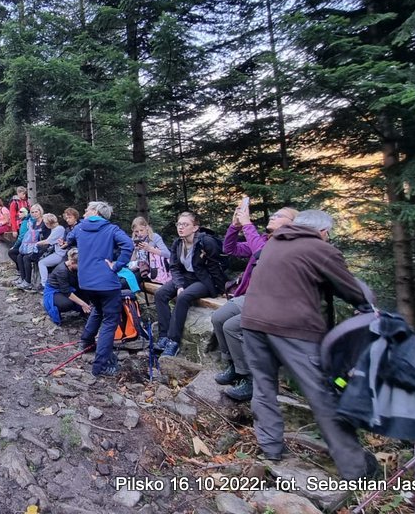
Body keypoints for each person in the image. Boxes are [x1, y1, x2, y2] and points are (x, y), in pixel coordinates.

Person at [241, 210, 376, 479]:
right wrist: (367, 306)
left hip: (252, 322)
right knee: (322, 394)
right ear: (323, 231)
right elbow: (349, 288)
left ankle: (271, 448)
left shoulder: (275, 243)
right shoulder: (320, 249)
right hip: (294, 329)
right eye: (329, 234)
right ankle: (355, 468)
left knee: (263, 387)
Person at [212, 202, 297, 401]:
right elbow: (229, 249)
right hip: (252, 296)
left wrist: (248, 224)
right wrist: (235, 227)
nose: (273, 216)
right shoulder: (265, 239)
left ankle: (250, 378)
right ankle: (233, 365)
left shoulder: (289, 243)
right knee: (218, 317)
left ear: (292, 223)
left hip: (274, 302)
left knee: (232, 327)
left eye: (279, 215)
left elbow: (264, 256)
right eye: (273, 214)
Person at [63, 201, 134, 377]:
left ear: (96, 212)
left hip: (86, 281)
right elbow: (128, 245)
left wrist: (67, 243)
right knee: (110, 320)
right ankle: (100, 365)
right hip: (106, 282)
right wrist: (118, 265)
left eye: (87, 209)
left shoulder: (79, 228)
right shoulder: (111, 229)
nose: (84, 212)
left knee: (98, 309)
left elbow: (69, 240)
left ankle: (86, 341)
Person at [154, 211, 226, 357]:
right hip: (186, 277)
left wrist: (221, 288)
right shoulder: (178, 243)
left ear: (195, 228)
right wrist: (179, 285)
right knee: (160, 293)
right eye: (179, 224)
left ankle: (173, 341)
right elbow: (174, 267)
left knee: (183, 297)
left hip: (205, 280)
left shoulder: (206, 242)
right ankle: (163, 336)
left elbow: (217, 266)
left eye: (185, 224)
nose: (180, 227)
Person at [119, 215, 172, 294]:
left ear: (147, 227)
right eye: (136, 232)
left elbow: (168, 254)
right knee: (120, 279)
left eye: (141, 230)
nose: (139, 234)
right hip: (138, 268)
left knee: (124, 284)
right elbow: (131, 261)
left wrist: (150, 249)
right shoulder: (134, 239)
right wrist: (135, 250)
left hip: (152, 270)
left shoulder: (155, 237)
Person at [43, 248, 92, 324]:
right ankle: (56, 311)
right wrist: (83, 304)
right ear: (72, 262)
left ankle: (85, 312)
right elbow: (66, 291)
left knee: (86, 290)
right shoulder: (62, 271)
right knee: (67, 304)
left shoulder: (75, 268)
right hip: (55, 290)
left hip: (70, 287)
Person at [13, 205, 44, 289]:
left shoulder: (44, 222)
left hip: (41, 247)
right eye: (32, 212)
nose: (34, 214)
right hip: (32, 246)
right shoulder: (33, 223)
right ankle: (23, 279)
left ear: (40, 212)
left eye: (36, 212)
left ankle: (28, 281)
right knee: (19, 256)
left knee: (26, 258)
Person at [36, 213, 67, 288]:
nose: (45, 224)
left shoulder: (58, 229)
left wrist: (35, 243)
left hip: (61, 254)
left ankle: (44, 284)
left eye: (45, 223)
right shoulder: (56, 229)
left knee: (42, 263)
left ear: (49, 223)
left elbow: (47, 241)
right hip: (58, 252)